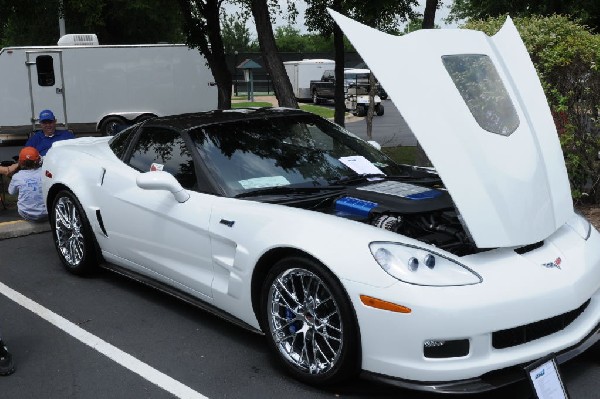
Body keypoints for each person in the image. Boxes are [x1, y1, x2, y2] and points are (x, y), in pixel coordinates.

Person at [8, 147, 48, 222]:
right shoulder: (44, 172)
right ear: (38, 160)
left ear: (20, 162)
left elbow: (11, 192)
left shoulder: (17, 176)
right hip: (46, 213)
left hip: (27, 214)